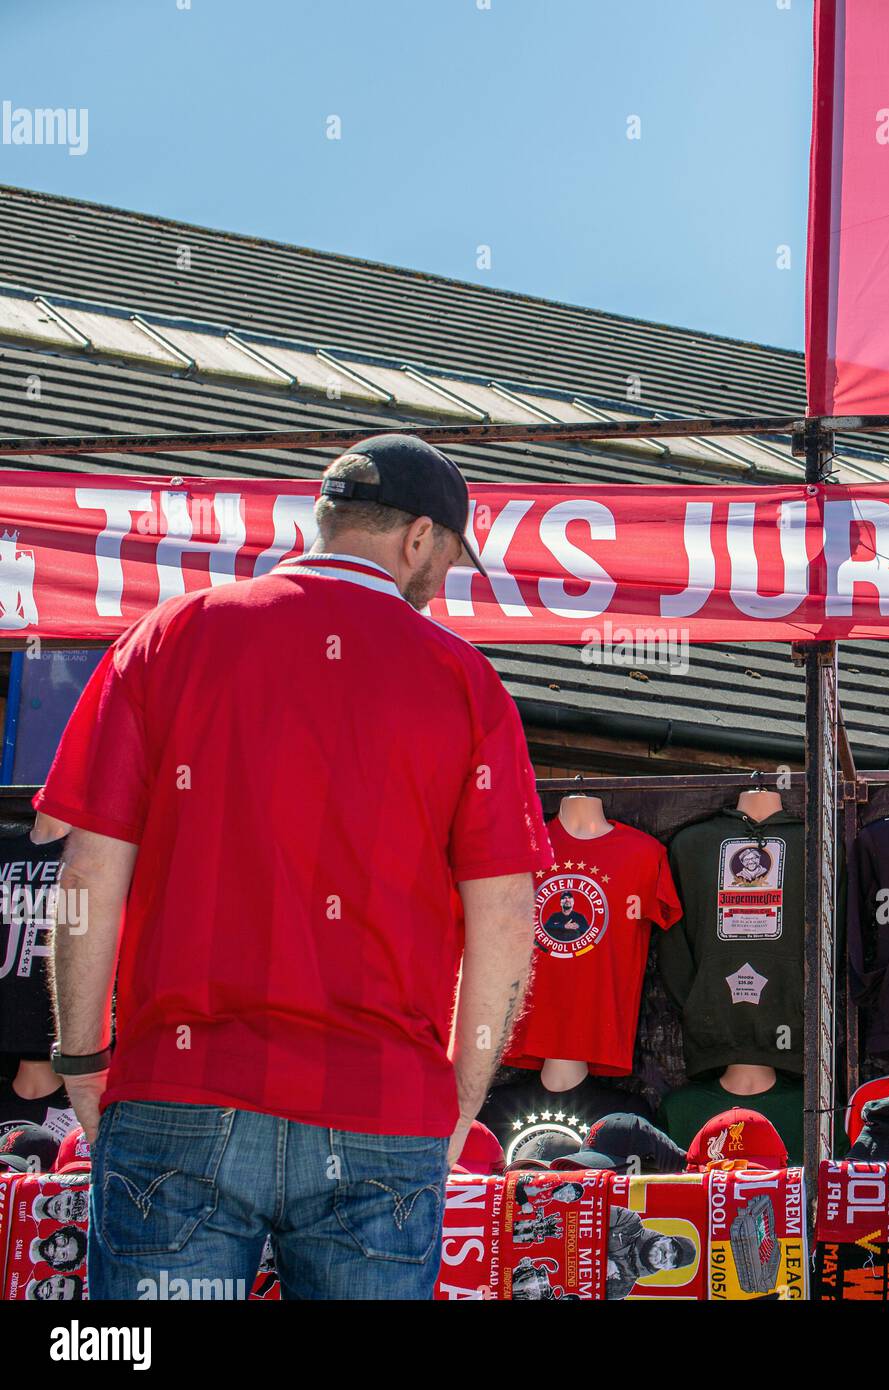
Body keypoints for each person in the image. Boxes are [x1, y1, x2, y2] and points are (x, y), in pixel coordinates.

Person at [36, 433, 550, 1300]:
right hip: (382, 1105)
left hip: (180, 1090)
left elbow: (88, 879)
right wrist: (462, 1100)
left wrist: (83, 1062)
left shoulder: (174, 634)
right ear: (418, 537)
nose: (443, 582)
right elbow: (504, 914)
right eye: (450, 559)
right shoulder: (465, 681)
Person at [605, 1207, 696, 1300]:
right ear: (665, 1238)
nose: (667, 1255)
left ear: (668, 1268)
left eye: (673, 1260)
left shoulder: (623, 1286)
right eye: (672, 1247)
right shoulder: (628, 1221)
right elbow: (592, 1214)